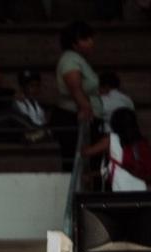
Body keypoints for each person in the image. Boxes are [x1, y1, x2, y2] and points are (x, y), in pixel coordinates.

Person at [52, 21, 103, 170]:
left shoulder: (79, 60)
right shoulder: (70, 59)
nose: (91, 42)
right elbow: (74, 87)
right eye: (85, 39)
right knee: (73, 160)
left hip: (84, 117)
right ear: (74, 43)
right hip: (73, 117)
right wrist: (85, 107)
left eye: (91, 38)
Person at [84, 107, 150, 191]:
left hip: (121, 189)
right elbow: (116, 168)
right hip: (142, 189)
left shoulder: (111, 139)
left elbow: (86, 152)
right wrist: (92, 175)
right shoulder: (141, 142)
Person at [13, 68, 51, 142]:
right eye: (31, 86)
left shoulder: (38, 105)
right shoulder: (19, 102)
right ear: (23, 87)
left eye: (37, 86)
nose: (35, 89)